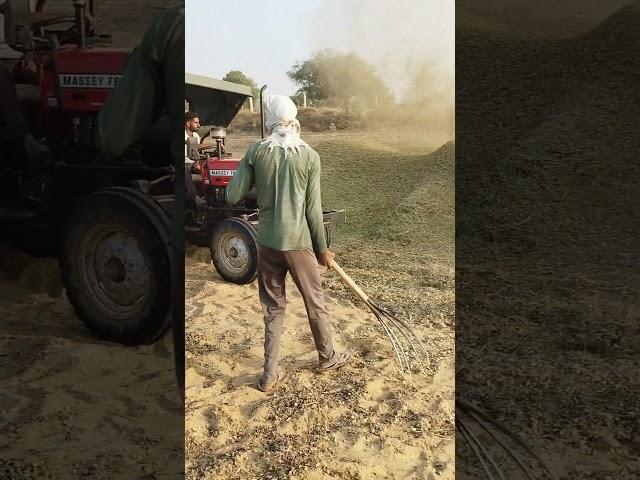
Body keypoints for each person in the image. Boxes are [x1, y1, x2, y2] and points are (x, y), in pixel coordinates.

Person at [226, 95, 351, 393]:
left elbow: (232, 195)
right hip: (298, 242)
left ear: (269, 118)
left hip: (266, 241)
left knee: (272, 307)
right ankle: (327, 357)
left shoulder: (257, 150)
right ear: (294, 118)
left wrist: (252, 170)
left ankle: (269, 375)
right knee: (315, 301)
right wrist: (321, 250)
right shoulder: (310, 155)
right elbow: (312, 209)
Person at [183, 111, 205, 208]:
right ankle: (194, 196)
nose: (199, 125)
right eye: (196, 122)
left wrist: (197, 162)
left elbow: (195, 153)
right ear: (188, 123)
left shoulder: (196, 136)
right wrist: (213, 144)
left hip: (193, 163)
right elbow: (195, 147)